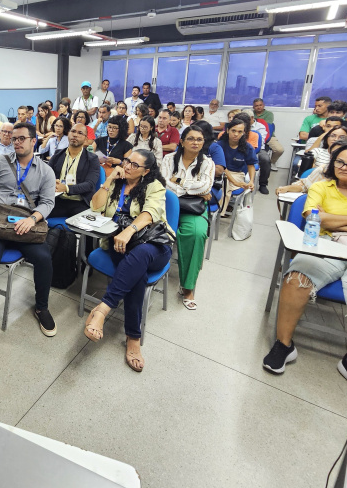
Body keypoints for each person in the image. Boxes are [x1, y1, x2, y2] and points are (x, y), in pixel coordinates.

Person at [262, 143, 347, 393]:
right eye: (339, 162)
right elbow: (316, 217)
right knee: (296, 280)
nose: (344, 168)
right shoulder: (320, 187)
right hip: (324, 244)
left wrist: (346, 226)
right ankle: (284, 345)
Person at [0, 122, 57, 354]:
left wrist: (33, 219)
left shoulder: (45, 170)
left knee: (44, 258)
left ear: (33, 141)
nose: (16, 142)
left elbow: (48, 202)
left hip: (25, 225)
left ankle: (42, 308)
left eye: (21, 138)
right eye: (13, 138)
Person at [84, 149, 173, 372]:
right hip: (120, 245)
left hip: (154, 246)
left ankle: (102, 310)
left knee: (141, 257)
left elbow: (151, 212)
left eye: (135, 165)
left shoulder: (155, 186)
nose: (128, 166)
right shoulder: (117, 182)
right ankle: (133, 338)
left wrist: (129, 230)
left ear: (146, 171)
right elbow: (95, 206)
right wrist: (110, 179)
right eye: (127, 161)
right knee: (137, 275)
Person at [162, 126, 214, 310]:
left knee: (196, 233)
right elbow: (163, 183)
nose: (195, 142)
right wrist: (192, 188)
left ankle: (188, 286)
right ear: (182, 142)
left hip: (192, 208)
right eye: (191, 138)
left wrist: (179, 182)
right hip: (168, 204)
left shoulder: (207, 163)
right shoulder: (168, 159)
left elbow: (206, 188)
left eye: (199, 139)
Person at [49, 123, 100, 217]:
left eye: (80, 133)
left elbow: (90, 184)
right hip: (57, 200)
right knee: (36, 215)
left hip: (79, 202)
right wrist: (53, 182)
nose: (75, 135)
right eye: (73, 131)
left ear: (86, 139)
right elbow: (47, 176)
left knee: (82, 227)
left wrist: (66, 188)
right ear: (68, 134)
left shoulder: (92, 159)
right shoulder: (57, 154)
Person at [276, 137, 347, 195]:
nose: (337, 156)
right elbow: (304, 185)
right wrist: (287, 188)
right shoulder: (324, 170)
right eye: (334, 153)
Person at [217, 117, 257, 213]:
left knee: (225, 187)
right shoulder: (219, 145)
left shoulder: (247, 147)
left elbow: (251, 165)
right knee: (223, 185)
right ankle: (217, 212)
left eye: (240, 132)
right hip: (220, 172)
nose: (236, 134)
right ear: (227, 130)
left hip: (237, 174)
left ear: (243, 133)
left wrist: (251, 181)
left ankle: (218, 213)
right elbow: (222, 167)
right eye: (233, 130)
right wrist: (234, 182)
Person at [252, 97, 284, 170]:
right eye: (256, 106)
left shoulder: (269, 114)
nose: (259, 107)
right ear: (253, 107)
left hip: (268, 135)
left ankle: (272, 162)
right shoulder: (251, 113)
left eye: (260, 105)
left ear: (263, 105)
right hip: (254, 134)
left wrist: (256, 121)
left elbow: (266, 125)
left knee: (279, 149)